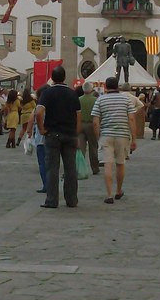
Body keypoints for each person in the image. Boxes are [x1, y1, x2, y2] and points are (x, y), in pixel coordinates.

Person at [35, 65, 82, 209]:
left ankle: (52, 200)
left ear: (52, 78)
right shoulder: (72, 94)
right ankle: (71, 200)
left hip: (53, 134)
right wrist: (76, 132)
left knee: (52, 168)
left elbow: (38, 112)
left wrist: (42, 128)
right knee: (70, 168)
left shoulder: (47, 93)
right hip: (69, 134)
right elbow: (78, 116)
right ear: (64, 77)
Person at [92, 76, 136, 203]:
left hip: (106, 135)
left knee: (108, 164)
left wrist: (98, 136)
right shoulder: (126, 99)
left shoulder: (100, 100)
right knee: (121, 163)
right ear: (118, 86)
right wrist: (134, 138)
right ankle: (118, 190)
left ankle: (109, 194)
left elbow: (95, 122)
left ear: (105, 86)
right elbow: (132, 119)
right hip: (122, 135)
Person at [78, 82, 100, 176]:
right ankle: (95, 168)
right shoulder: (96, 100)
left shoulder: (78, 99)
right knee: (93, 147)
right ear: (91, 89)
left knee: (81, 147)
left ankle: (79, 167)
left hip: (81, 124)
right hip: (91, 124)